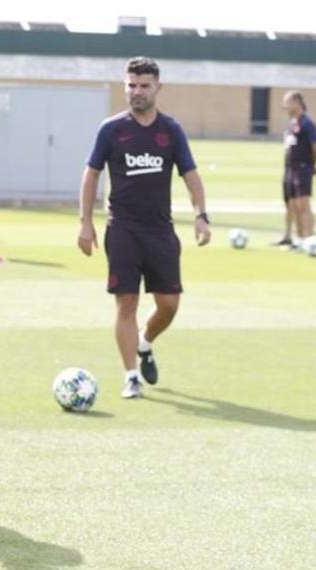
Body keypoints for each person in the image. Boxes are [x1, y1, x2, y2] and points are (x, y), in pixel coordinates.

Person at [77, 57, 211, 399]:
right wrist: (85, 224)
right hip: (122, 229)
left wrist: (201, 214)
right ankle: (130, 376)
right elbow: (91, 174)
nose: (136, 92)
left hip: (160, 232)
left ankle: (145, 343)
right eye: (131, 85)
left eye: (144, 86)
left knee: (169, 304)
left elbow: (191, 175)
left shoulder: (171, 130)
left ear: (157, 88)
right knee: (126, 303)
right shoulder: (111, 129)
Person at [275, 91, 316, 247]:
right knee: (292, 205)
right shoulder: (292, 122)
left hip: (302, 168)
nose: (284, 107)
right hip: (289, 169)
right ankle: (295, 237)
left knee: (303, 205)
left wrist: (311, 163)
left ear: (297, 102)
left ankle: (309, 240)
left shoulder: (307, 123)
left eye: (287, 102)